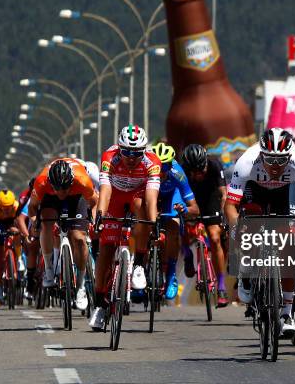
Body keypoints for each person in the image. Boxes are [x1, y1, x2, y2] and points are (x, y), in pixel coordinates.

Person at [225, 128, 295, 337]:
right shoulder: (246, 162)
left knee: (291, 242)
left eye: (281, 160)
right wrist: (236, 231)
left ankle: (287, 313)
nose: (276, 166)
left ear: (290, 156)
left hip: (285, 191)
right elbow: (231, 205)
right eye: (270, 160)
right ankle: (247, 270)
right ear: (261, 155)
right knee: (248, 226)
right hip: (255, 189)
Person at [89, 125, 161, 330]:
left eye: (136, 153)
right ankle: (100, 303)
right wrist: (100, 215)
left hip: (138, 195)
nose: (131, 157)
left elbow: (151, 198)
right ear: (120, 149)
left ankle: (138, 263)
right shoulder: (109, 157)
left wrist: (154, 221)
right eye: (127, 152)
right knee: (106, 249)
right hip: (115, 198)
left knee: (143, 210)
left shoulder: (152, 162)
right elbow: (105, 190)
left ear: (144, 150)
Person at [28, 158, 97, 311]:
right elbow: (32, 208)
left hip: (77, 197)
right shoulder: (41, 182)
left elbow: (94, 202)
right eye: (58, 188)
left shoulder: (82, 180)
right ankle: (49, 269)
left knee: (78, 237)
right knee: (46, 222)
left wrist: (91, 220)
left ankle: (80, 288)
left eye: (64, 188)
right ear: (51, 183)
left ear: (71, 182)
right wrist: (34, 222)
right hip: (50, 199)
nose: (61, 192)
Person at [180, 144, 229, 308]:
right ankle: (187, 255)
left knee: (215, 238)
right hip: (191, 199)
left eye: (200, 171)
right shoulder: (184, 171)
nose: (197, 175)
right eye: (193, 172)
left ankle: (221, 287)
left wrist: (222, 214)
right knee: (181, 226)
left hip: (211, 200)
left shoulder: (214, 165)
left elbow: (223, 194)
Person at [152, 142, 199, 301]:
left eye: (165, 167)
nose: (162, 172)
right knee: (144, 224)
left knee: (173, 226)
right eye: (159, 167)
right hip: (152, 194)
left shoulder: (177, 173)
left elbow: (195, 208)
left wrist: (184, 210)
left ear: (170, 165)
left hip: (172, 196)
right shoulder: (146, 171)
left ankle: (171, 273)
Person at [0, 189, 23, 303]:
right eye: (3, 208)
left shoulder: (16, 206)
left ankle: (19, 259)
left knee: (17, 233)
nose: (6, 210)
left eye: (8, 207)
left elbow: (21, 220)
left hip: (12, 222)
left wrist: (19, 230)